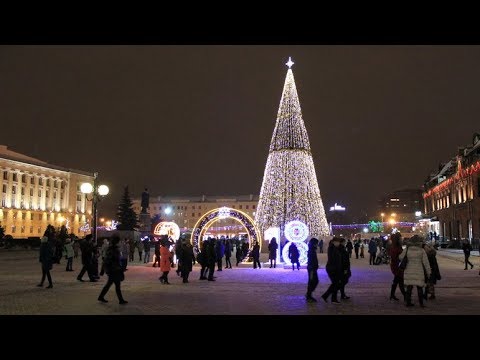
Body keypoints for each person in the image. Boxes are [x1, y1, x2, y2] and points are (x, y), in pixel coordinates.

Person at [98, 236, 127, 304]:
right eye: (119, 242)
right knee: (116, 285)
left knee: (110, 284)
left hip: (113, 270)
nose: (120, 243)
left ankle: (101, 297)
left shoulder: (112, 249)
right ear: (117, 242)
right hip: (114, 270)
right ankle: (120, 300)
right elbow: (108, 260)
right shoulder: (114, 250)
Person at [403, 235, 431, 307]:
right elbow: (426, 262)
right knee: (419, 287)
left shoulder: (407, 249)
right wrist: (428, 272)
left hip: (409, 269)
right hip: (419, 270)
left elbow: (400, 257)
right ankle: (421, 303)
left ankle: (408, 302)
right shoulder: (421, 250)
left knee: (409, 287)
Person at [321, 238, 342, 304]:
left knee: (335, 284)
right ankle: (332, 298)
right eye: (338, 242)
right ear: (334, 242)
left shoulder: (334, 248)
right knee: (335, 284)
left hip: (333, 268)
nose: (338, 243)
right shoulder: (332, 248)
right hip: (332, 268)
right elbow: (333, 259)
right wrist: (337, 269)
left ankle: (327, 296)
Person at [388, 232, 406, 301]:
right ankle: (405, 295)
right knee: (400, 280)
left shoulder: (396, 246)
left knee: (396, 280)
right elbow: (395, 257)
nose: (401, 239)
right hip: (397, 266)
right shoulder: (395, 247)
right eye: (400, 238)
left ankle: (392, 295)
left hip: (396, 265)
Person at [306, 238, 319, 302]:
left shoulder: (312, 249)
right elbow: (311, 260)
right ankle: (309, 295)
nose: (317, 244)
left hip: (313, 268)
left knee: (313, 281)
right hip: (311, 269)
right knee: (313, 281)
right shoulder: (311, 250)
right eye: (316, 243)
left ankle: (309, 294)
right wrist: (312, 268)